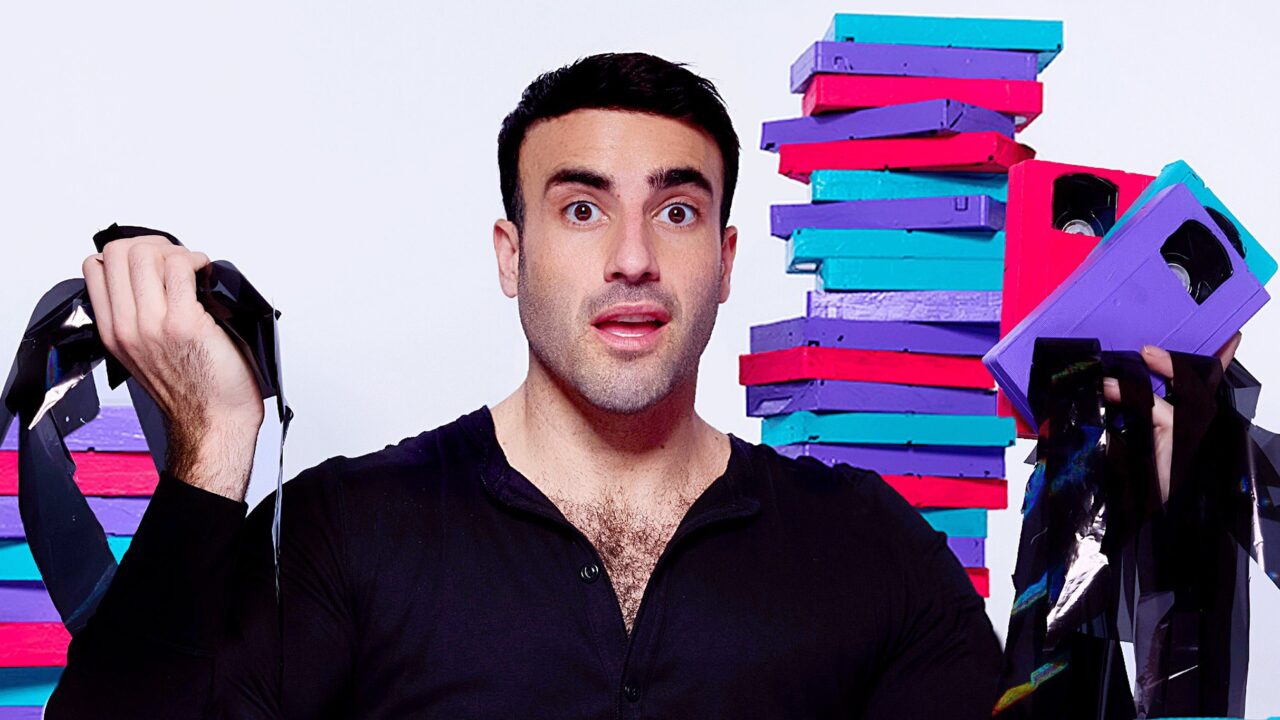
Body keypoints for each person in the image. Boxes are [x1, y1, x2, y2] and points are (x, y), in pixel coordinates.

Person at [49, 52, 1008, 719]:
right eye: (582, 209)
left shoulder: (867, 547)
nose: (633, 258)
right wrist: (213, 444)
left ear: (724, 262)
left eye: (676, 211)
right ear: (512, 255)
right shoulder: (344, 532)